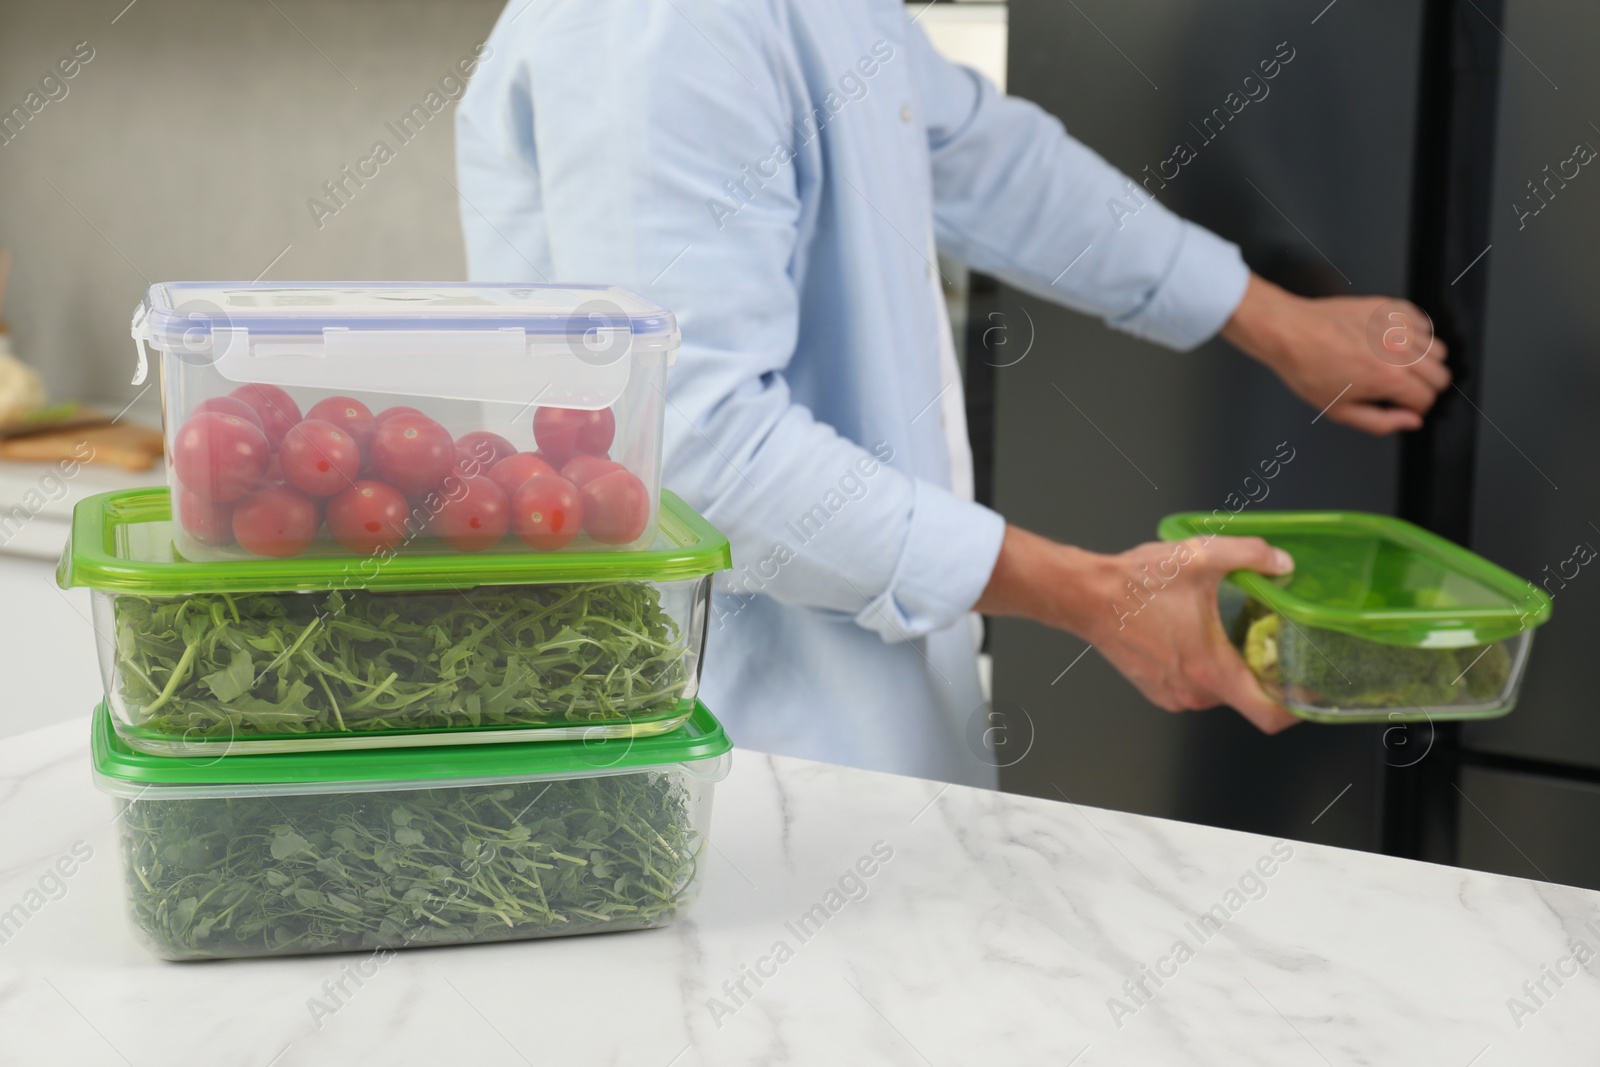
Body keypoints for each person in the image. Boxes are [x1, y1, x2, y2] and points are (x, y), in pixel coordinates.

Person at [455, 1, 1449, 788]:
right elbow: (699, 457)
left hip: (871, 762)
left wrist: (1269, 316)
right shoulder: (658, 27)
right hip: (729, 768)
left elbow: (988, 161)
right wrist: (1097, 597)